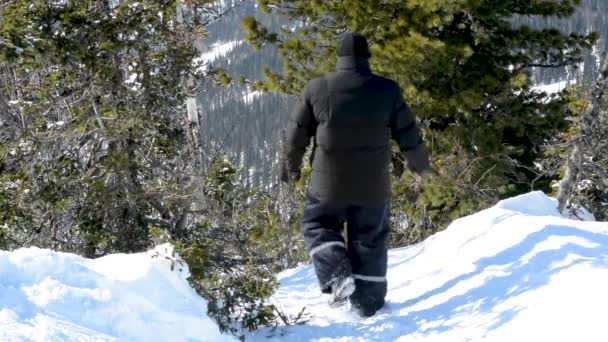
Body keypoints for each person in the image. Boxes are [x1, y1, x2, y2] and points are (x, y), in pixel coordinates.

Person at [281, 32, 429, 317]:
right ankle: (368, 304)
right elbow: (408, 133)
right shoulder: (387, 89)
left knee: (317, 224)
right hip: (372, 186)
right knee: (370, 240)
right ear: (367, 58)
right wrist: (420, 166)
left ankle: (336, 275)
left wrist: (291, 168)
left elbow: (295, 135)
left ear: (339, 59)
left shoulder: (317, 88)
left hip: (328, 184)